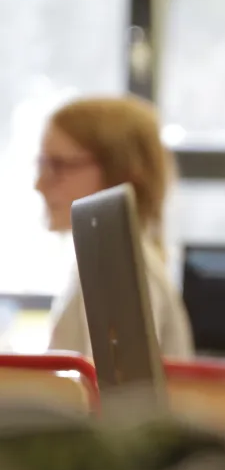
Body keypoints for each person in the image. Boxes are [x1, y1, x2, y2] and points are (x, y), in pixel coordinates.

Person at [36, 97, 193, 359]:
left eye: (58, 165)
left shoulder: (115, 261)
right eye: (42, 164)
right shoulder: (107, 257)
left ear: (121, 172)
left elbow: (110, 395)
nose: (40, 184)